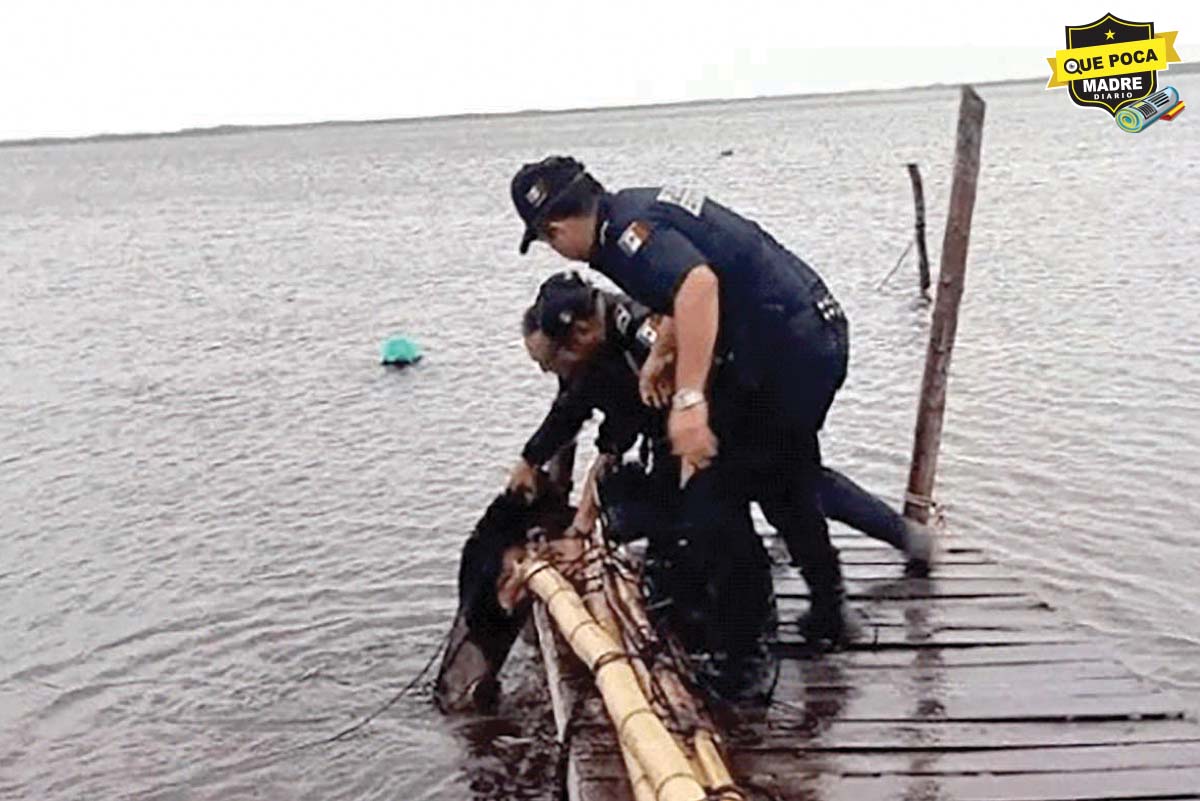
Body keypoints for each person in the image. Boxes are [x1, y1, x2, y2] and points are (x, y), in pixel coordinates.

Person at [510, 156, 861, 646]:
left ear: (554, 228)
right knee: (779, 478)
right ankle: (823, 612)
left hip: (788, 350)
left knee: (727, 488)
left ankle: (749, 642)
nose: (557, 250)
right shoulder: (629, 212)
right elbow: (683, 283)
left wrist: (691, 399)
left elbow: (698, 285)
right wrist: (664, 352)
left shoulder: (626, 237)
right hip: (800, 338)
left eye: (549, 241)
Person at [510, 272, 935, 574]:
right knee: (756, 500)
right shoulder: (596, 355)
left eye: (548, 362)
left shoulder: (636, 333)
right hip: (702, 426)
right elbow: (576, 418)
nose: (549, 373)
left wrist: (585, 520)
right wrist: (532, 462)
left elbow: (619, 430)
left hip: (739, 410)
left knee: (796, 486)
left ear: (575, 338)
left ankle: (896, 542)